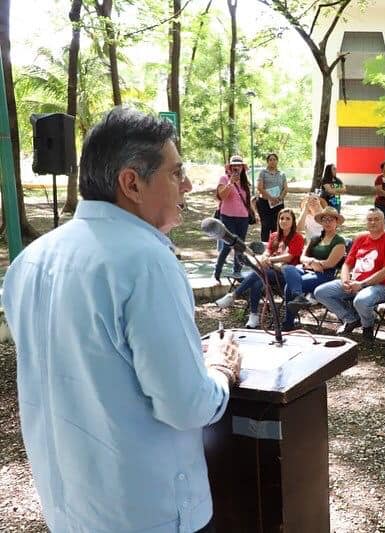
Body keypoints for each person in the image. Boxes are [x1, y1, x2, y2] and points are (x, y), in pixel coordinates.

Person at [1, 107, 240, 532]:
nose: (187, 185)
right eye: (175, 173)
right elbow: (186, 404)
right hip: (149, 512)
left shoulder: (30, 261)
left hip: (70, 509)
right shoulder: (147, 261)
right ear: (131, 182)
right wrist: (219, 369)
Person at [314, 208, 385, 341]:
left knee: (361, 300)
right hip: (354, 282)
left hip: (379, 286)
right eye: (369, 219)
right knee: (320, 292)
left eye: (376, 219)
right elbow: (347, 264)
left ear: (384, 222)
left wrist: (361, 284)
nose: (372, 222)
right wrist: (345, 280)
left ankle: (367, 326)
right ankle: (351, 319)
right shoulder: (361, 238)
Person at [216, 208, 304, 328]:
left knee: (258, 274)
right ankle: (254, 315)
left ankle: (234, 295)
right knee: (257, 282)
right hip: (269, 272)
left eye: (288, 218)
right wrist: (264, 258)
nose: (284, 221)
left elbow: (289, 258)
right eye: (281, 218)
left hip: (287, 275)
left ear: (293, 221)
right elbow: (267, 252)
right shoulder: (274, 236)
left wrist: (269, 260)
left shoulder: (297, 237)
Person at [283, 207, 347, 330]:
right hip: (306, 270)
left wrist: (311, 263)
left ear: (336, 222)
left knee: (288, 286)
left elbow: (330, 264)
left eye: (331, 220)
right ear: (321, 222)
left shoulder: (339, 241)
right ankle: (299, 296)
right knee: (287, 268)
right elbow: (302, 257)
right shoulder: (315, 239)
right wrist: (312, 262)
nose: (327, 222)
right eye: (325, 219)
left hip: (324, 275)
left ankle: (288, 323)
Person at [214, 154, 255, 282]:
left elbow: (247, 200)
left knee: (240, 245)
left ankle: (237, 271)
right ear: (230, 167)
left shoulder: (245, 182)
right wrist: (231, 183)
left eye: (239, 165)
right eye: (234, 165)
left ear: (243, 167)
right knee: (228, 244)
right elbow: (221, 196)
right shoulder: (224, 179)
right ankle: (218, 270)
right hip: (227, 216)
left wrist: (253, 214)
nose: (236, 167)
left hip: (242, 217)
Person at [255, 152, 287, 241]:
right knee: (265, 226)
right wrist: (270, 198)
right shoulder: (263, 173)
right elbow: (259, 187)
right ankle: (265, 246)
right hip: (264, 203)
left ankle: (276, 246)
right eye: (270, 160)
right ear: (267, 162)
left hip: (278, 203)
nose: (272, 161)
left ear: (277, 161)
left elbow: (285, 188)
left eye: (274, 159)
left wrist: (280, 198)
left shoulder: (282, 174)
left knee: (277, 226)